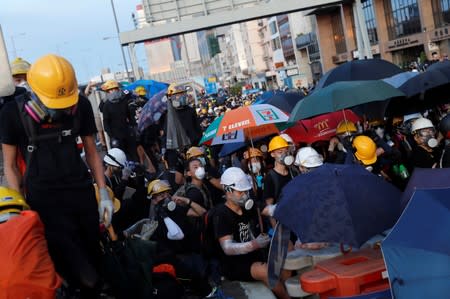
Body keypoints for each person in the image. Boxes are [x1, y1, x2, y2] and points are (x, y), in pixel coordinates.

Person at [0, 54, 113, 297]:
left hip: (81, 194)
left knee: (94, 257)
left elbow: (92, 151)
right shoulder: (12, 114)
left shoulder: (80, 106)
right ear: (34, 89)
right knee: (69, 268)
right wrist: (21, 211)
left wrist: (102, 192)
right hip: (44, 201)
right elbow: (10, 165)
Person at [215, 167, 290, 299]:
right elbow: (227, 247)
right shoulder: (221, 214)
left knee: (287, 250)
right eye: (240, 192)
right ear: (227, 190)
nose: (245, 195)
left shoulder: (250, 205)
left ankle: (284, 289)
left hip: (256, 255)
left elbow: (270, 210)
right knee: (265, 271)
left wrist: (291, 206)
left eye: (246, 191)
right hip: (235, 264)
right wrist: (254, 244)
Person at [101, 80, 138, 161]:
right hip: (116, 136)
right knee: (120, 158)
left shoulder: (123, 101)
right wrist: (112, 137)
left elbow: (130, 116)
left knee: (133, 155)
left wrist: (134, 127)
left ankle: (136, 171)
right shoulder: (106, 105)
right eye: (110, 90)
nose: (113, 92)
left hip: (127, 133)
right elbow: (105, 122)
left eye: (115, 89)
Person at [262, 136, 295, 226]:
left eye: (285, 152)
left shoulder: (293, 172)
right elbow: (270, 209)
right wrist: (279, 236)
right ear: (272, 154)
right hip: (284, 224)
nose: (284, 155)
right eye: (280, 152)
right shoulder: (270, 178)